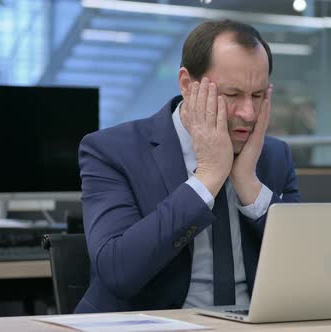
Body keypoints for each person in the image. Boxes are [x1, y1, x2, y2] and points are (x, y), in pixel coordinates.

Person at [75, 19, 300, 313]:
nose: (248, 113)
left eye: (257, 96)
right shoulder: (112, 151)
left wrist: (249, 184)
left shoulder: (274, 155)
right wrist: (206, 179)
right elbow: (118, 272)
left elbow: (304, 268)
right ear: (186, 84)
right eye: (232, 95)